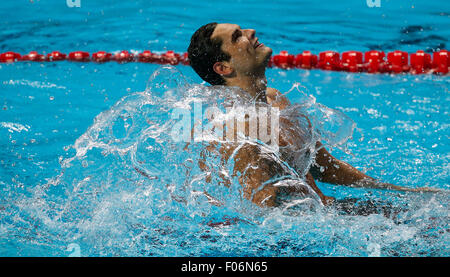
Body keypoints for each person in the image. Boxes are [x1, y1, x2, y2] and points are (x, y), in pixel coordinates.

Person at [187, 22, 439, 207]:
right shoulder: (240, 131)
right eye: (237, 36)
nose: (250, 32)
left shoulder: (275, 100)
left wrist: (402, 191)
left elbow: (323, 167)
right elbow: (262, 211)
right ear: (224, 67)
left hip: (325, 211)